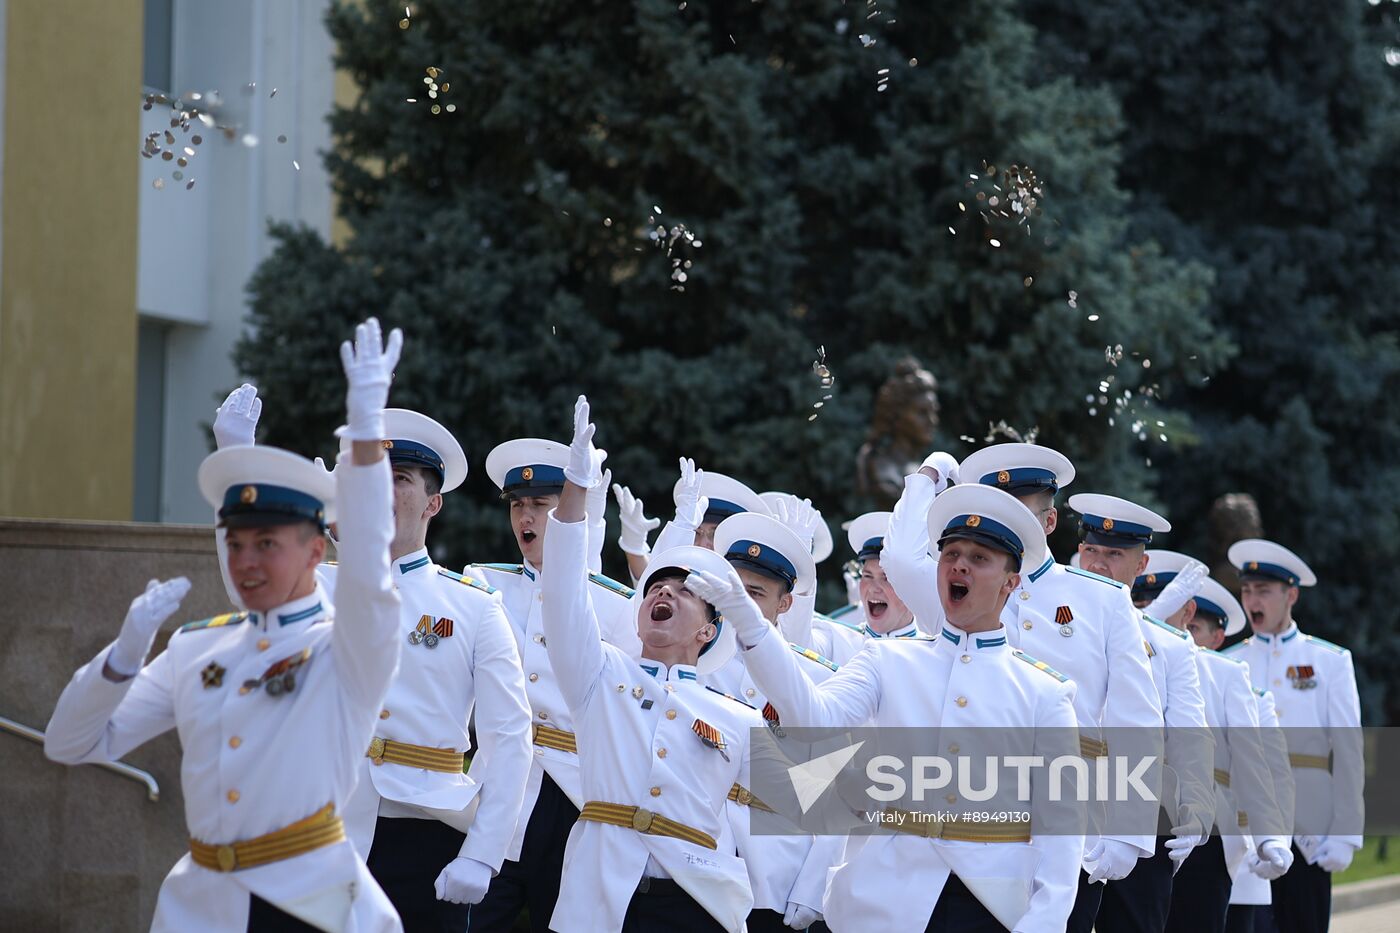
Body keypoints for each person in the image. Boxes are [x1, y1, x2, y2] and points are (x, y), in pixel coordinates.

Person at [45, 317, 405, 932]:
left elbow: (371, 570)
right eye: (235, 545)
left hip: (309, 905)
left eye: (267, 544)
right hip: (200, 908)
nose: (245, 562)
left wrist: (365, 444)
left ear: (318, 552)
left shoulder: (345, 648)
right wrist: (122, 658)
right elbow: (69, 744)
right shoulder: (196, 648)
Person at [212, 390, 535, 929]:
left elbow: (509, 738)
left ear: (433, 503)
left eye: (401, 478)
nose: (384, 488)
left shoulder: (474, 608)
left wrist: (483, 852)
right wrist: (235, 466)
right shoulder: (317, 585)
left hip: (422, 831)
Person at [710, 481, 1084, 931]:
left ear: (1011, 583)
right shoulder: (886, 660)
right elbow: (812, 720)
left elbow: (1060, 833)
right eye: (950, 555)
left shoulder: (1044, 693)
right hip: (879, 904)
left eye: (979, 559)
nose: (959, 566)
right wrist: (752, 626)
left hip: (986, 908)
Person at [889, 443, 1164, 933]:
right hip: (971, 823)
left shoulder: (1102, 600)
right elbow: (899, 556)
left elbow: (1134, 719)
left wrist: (1126, 831)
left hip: (1068, 829)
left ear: (1051, 521)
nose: (1007, 523)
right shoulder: (959, 592)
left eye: (1021, 512)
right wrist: (928, 476)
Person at [540, 396, 769, 932]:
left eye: (683, 591)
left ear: (708, 630)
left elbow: (822, 796)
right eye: (655, 589)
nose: (663, 593)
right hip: (597, 898)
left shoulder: (737, 718)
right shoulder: (599, 674)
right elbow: (562, 590)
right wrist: (576, 485)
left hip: (693, 901)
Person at [469, 436, 641, 931]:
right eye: (518, 506)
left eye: (541, 505)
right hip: (495, 782)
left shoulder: (615, 604)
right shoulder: (483, 585)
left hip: (574, 791)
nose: (527, 517)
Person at [1067, 494, 1214, 933]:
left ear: (1141, 563)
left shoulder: (1168, 645)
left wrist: (1198, 807)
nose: (1097, 563)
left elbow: (1190, 732)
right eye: (1090, 550)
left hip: (1145, 817)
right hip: (1064, 808)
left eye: (1114, 554)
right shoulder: (1052, 627)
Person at [1133, 553, 1288, 933]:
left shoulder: (1225, 674)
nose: (1142, 617)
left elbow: (1252, 765)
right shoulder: (1120, 663)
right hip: (1132, 819)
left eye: (1155, 607)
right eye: (1139, 608)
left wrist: (1270, 836)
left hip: (1206, 833)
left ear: (1185, 612)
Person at [709, 509, 844, 932]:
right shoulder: (696, 656)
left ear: (785, 603)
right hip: (697, 854)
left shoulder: (818, 677)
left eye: (756, 593)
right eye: (733, 589)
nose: (741, 605)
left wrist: (811, 889)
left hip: (775, 868)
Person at [1221, 539, 1363, 933]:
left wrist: (1347, 833)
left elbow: (1349, 751)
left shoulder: (1329, 662)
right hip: (1247, 827)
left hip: (1309, 833)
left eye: (1263, 591)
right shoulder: (1229, 663)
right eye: (1247, 590)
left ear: (1291, 595)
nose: (1253, 600)